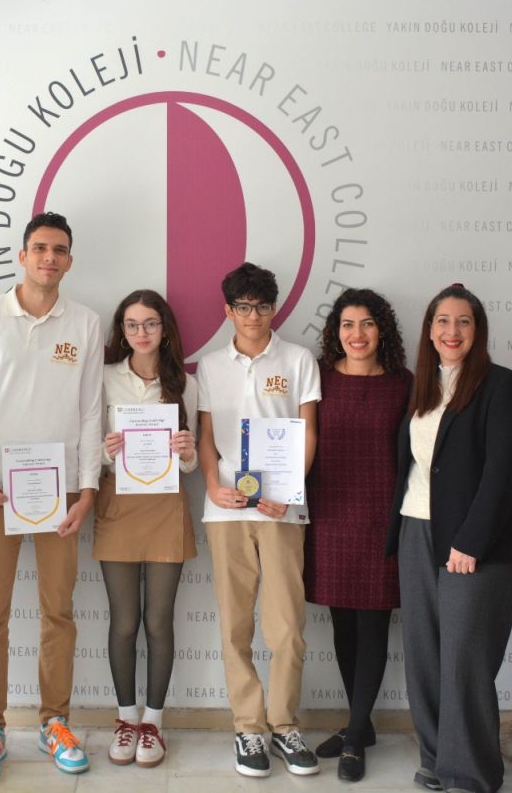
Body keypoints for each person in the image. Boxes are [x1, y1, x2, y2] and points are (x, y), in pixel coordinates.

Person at [0, 212, 104, 783]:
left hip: (60, 490)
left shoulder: (86, 323)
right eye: (40, 248)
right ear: (22, 256)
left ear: (70, 260)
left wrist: (87, 490)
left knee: (58, 611)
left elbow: (90, 412)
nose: (50, 257)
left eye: (59, 249)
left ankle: (54, 721)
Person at [387, 283, 512, 793]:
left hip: (471, 541)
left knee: (466, 659)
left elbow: (501, 472)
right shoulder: (421, 387)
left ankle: (469, 774)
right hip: (415, 528)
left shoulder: (501, 384)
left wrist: (471, 541)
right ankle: (435, 758)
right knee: (424, 653)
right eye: (443, 321)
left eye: (463, 321)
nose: (452, 331)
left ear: (478, 330)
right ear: (429, 330)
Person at [196, 262, 321, 778]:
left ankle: (284, 724)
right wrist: (211, 484)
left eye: (262, 306)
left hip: (282, 509)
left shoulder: (298, 359)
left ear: (275, 308)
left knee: (287, 625)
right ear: (228, 310)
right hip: (225, 508)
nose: (253, 316)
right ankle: (248, 728)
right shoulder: (209, 366)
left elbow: (309, 432)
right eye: (243, 307)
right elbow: (206, 435)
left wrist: (289, 491)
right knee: (234, 624)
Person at [305, 288, 411, 783]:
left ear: (382, 329)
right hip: (328, 515)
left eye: (367, 323)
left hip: (382, 518)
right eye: (348, 324)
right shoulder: (319, 379)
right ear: (335, 332)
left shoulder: (404, 384)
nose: (358, 334)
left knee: (372, 627)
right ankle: (359, 725)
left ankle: (354, 736)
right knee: (343, 624)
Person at [97, 289, 198, 770]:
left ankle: (153, 722)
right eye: (132, 324)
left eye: (150, 323)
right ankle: (125, 719)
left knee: (159, 622)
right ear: (121, 330)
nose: (142, 332)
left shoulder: (186, 383)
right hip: (117, 503)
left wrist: (187, 452)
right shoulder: (102, 379)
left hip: (166, 505)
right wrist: (105, 452)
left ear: (165, 329)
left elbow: (193, 464)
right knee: (123, 622)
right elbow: (88, 446)